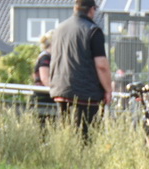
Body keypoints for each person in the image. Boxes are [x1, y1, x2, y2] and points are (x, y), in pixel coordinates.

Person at [48, 0, 112, 141]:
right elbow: (101, 65)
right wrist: (108, 89)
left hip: (60, 89)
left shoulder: (59, 29)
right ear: (91, 9)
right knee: (86, 139)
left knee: (65, 136)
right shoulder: (93, 30)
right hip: (85, 93)